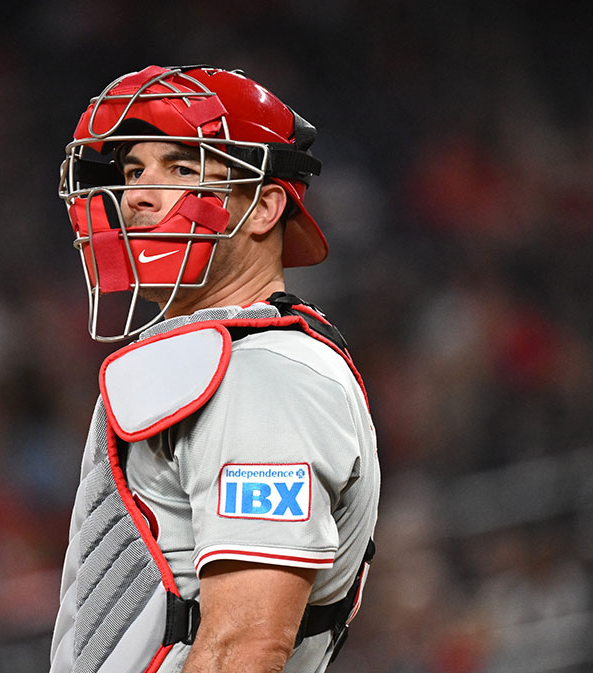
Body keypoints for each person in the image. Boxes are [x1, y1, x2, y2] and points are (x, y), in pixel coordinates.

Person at [50, 65, 380, 673]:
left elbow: (244, 647)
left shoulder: (267, 377)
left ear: (263, 208)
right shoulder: (210, 360)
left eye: (182, 168)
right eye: (130, 172)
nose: (137, 195)